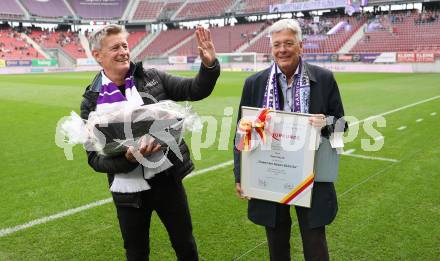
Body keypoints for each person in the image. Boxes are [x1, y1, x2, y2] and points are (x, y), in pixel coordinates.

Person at [80, 24, 220, 261]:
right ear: (98, 55)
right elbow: (94, 158)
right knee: (136, 252)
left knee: (185, 244)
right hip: (127, 193)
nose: (123, 51)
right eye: (115, 47)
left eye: (125, 45)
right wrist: (126, 159)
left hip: (167, 180)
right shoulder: (91, 101)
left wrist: (209, 66)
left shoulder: (152, 77)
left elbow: (194, 89)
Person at [233, 19, 345, 261]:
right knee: (277, 244)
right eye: (276, 45)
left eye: (288, 43)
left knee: (315, 243)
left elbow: (342, 125)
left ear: (301, 46)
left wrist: (325, 122)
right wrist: (241, 175)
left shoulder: (324, 79)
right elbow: (241, 132)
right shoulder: (254, 83)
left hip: (311, 176)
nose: (282, 49)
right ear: (271, 48)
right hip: (270, 173)